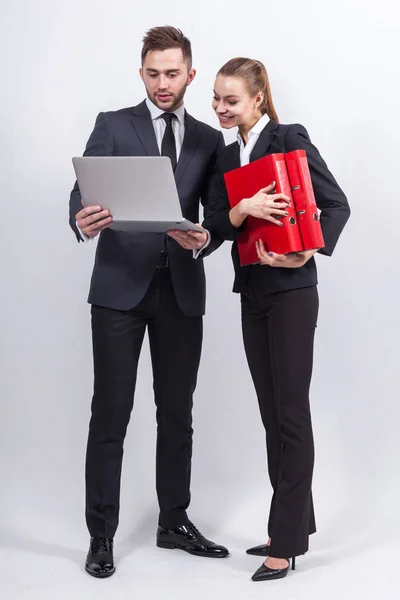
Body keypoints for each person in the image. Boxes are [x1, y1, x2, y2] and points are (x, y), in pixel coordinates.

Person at [69, 26, 229, 579]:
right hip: (118, 290)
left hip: (180, 293)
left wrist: (207, 236)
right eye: (153, 73)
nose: (163, 83)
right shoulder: (113, 125)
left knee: (177, 413)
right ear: (142, 73)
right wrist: (81, 218)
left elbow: (218, 217)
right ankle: (101, 534)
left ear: (190, 72)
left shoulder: (210, 140)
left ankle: (173, 521)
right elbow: (81, 195)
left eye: (173, 73)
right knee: (110, 413)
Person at [204, 57, 350, 582]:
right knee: (271, 414)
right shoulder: (225, 155)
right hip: (253, 292)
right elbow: (218, 220)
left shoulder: (289, 138)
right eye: (216, 99)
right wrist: (240, 211)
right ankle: (293, 524)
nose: (221, 108)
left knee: (291, 414)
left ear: (258, 99)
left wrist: (309, 250)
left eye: (231, 100)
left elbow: (335, 205)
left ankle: (285, 544)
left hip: (292, 293)